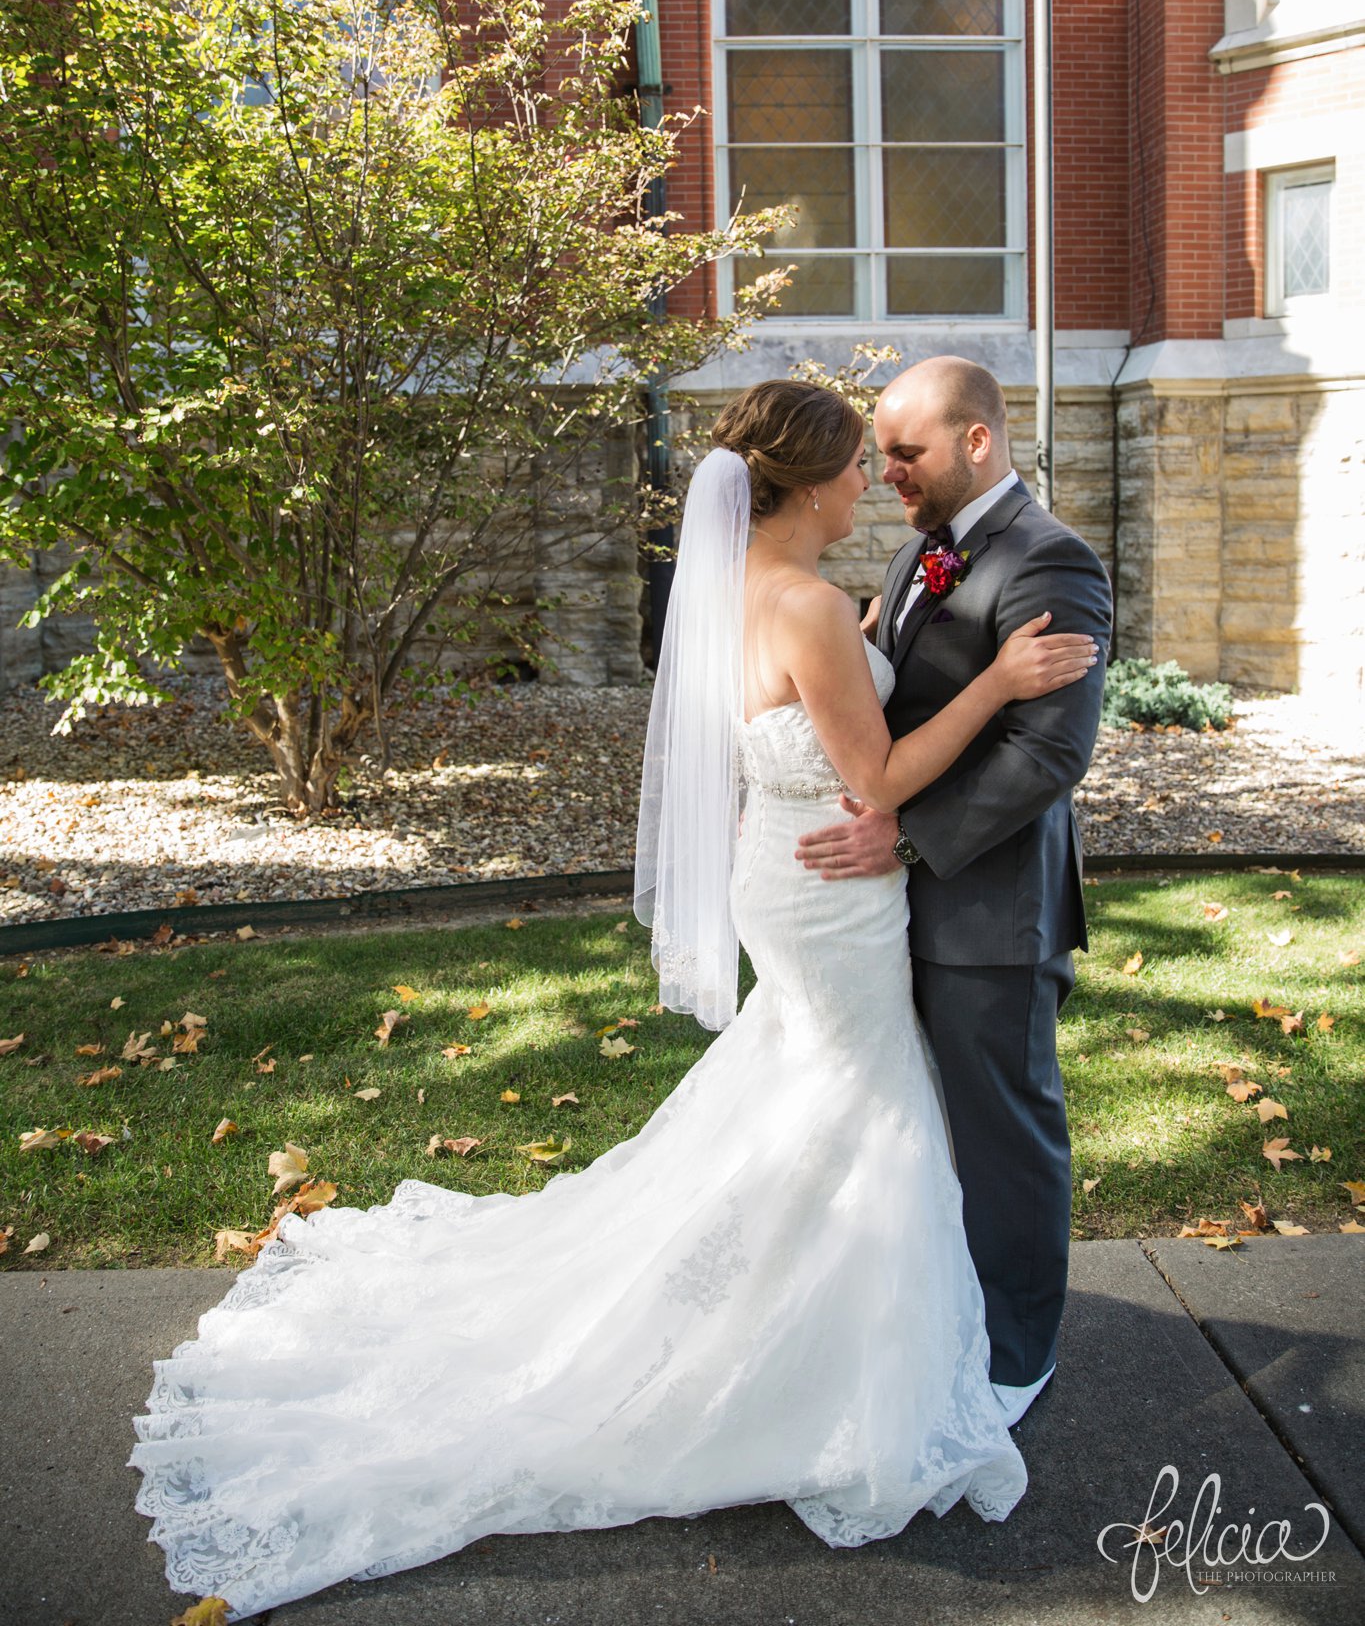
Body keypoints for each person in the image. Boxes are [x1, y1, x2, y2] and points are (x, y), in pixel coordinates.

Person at [127, 378, 1098, 1621]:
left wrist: (875, 653)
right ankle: (818, 1340)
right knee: (857, 1095)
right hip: (833, 883)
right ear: (807, 483)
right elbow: (884, 768)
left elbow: (823, 715)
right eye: (862, 461)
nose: (875, 480)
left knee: (810, 1089)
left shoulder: (748, 591)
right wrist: (999, 677)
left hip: (790, 875)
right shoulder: (802, 601)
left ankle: (775, 1285)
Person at [793, 356, 1113, 1428]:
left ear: (977, 439)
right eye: (881, 453)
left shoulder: (1050, 561)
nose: (887, 469)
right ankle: (943, 1317)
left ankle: (1018, 1354)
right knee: (922, 1133)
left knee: (1004, 1137)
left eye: (905, 449)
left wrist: (908, 843)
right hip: (894, 916)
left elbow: (1049, 754)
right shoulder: (914, 554)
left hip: (990, 915)